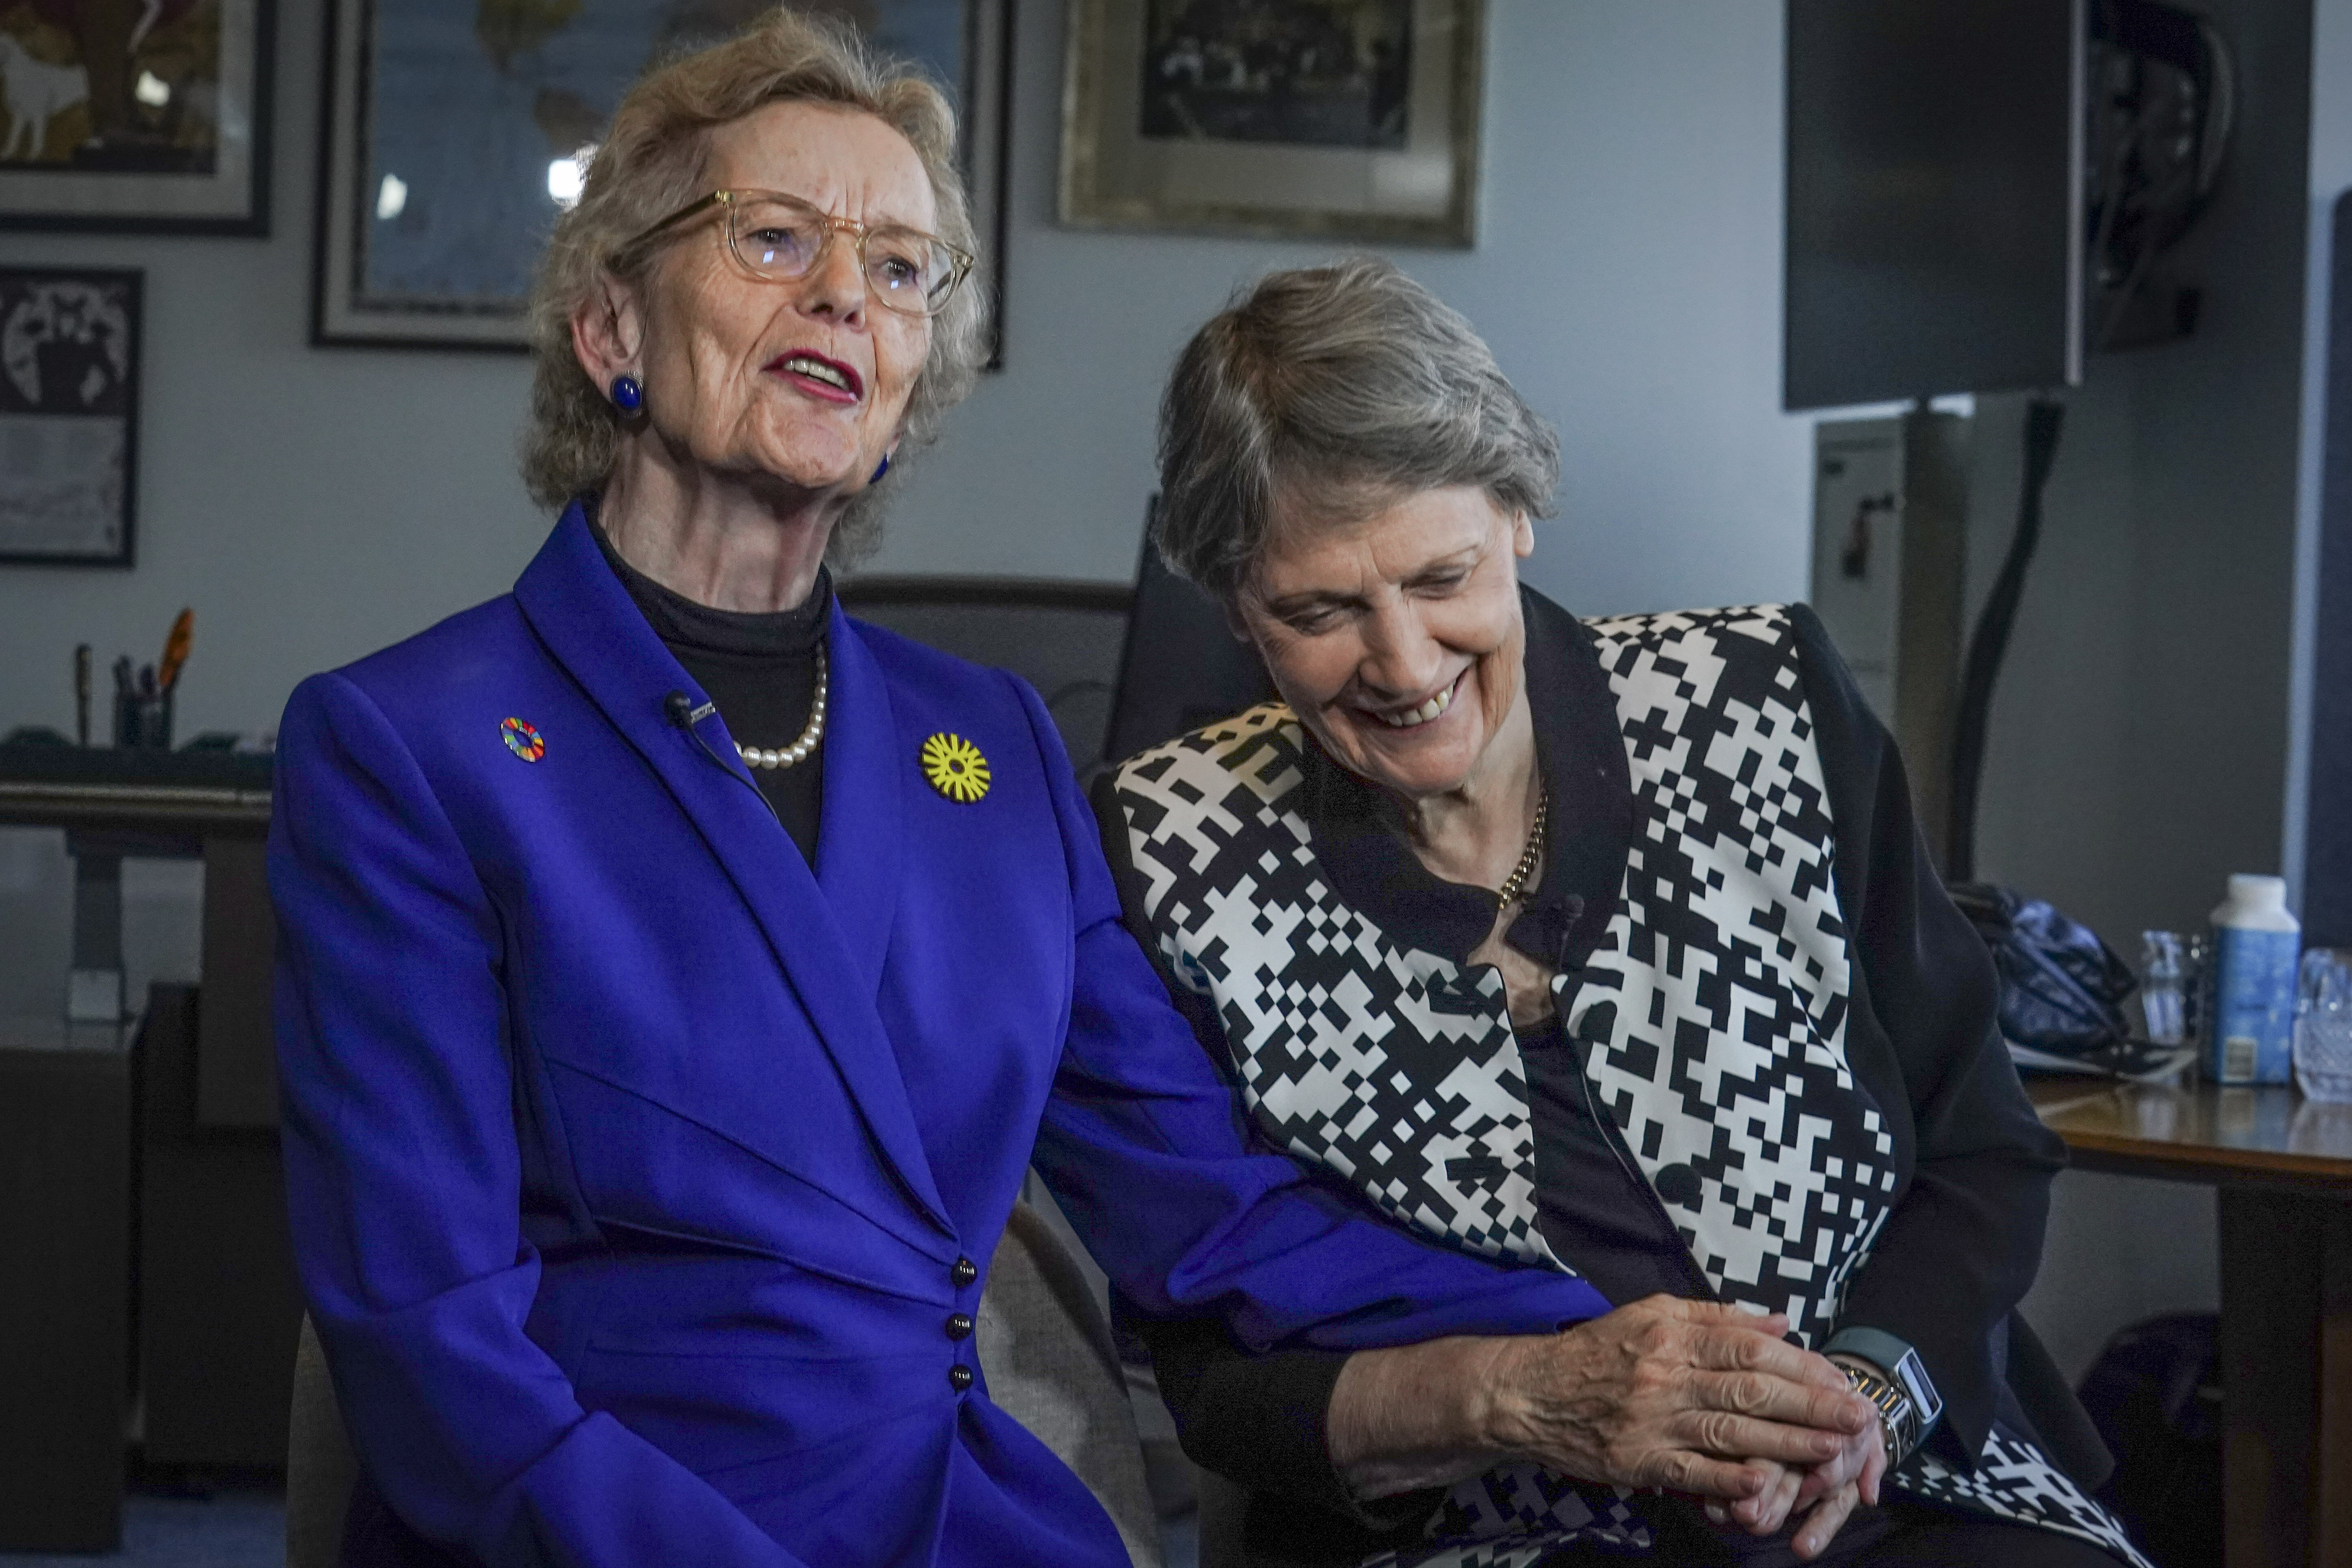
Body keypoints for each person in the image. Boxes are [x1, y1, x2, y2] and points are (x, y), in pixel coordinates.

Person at [266, 21, 1709, 1568]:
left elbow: (1213, 1205)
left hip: (972, 1527)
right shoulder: (402, 746)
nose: (845, 293)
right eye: (773, 238)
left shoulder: (997, 747)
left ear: (908, 383)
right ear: (613, 324)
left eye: (900, 269)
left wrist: (1616, 1349)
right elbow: (431, 1353)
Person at [1095, 257, 2149, 1568]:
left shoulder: (1759, 702)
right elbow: (1214, 1375)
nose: (1405, 664)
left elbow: (1982, 1150)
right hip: (1492, 1529)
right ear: (1238, 607)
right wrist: (1526, 1404)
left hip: (1901, 1477)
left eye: (1441, 577)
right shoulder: (1169, 852)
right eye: (1320, 611)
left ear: (1518, 511)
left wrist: (1861, 1401)